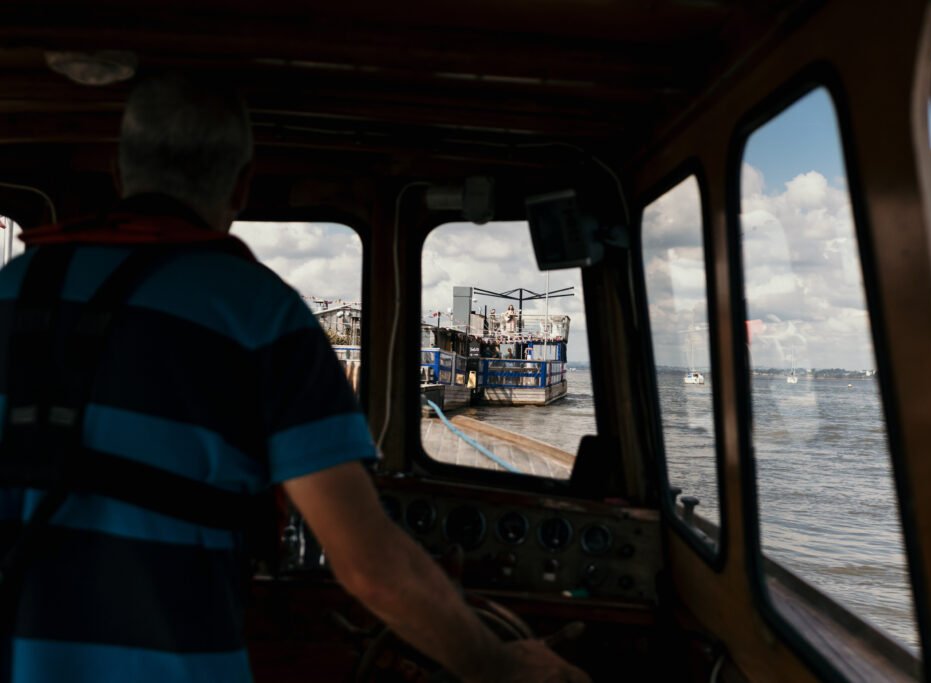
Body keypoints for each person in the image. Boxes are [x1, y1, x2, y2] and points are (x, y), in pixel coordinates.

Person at [0, 75, 589, 683]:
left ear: (118, 175)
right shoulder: (260, 313)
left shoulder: (12, 289)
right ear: (242, 185)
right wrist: (500, 665)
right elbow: (368, 567)